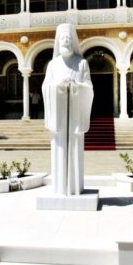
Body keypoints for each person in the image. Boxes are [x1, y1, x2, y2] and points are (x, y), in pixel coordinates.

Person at [42, 23, 94, 196]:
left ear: (74, 42)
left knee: (74, 148)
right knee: (59, 148)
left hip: (75, 115)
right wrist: (58, 86)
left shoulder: (82, 64)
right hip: (59, 115)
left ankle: (74, 188)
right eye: (63, 38)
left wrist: (76, 86)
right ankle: (59, 188)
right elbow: (46, 87)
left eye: (69, 38)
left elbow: (89, 87)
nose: (66, 41)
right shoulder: (52, 65)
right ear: (58, 42)